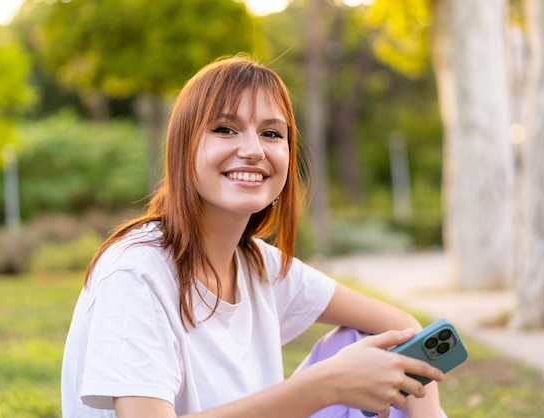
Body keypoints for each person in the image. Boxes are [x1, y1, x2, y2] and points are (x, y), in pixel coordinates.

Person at [61, 54, 447, 418]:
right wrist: (326, 384)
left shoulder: (258, 264)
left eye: (271, 133)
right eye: (225, 129)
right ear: (183, 147)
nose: (253, 150)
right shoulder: (136, 271)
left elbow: (403, 327)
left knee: (365, 343)